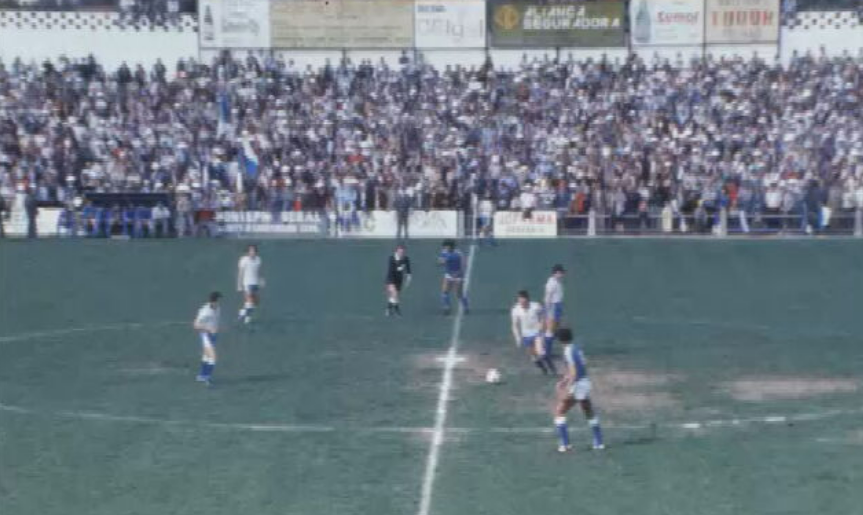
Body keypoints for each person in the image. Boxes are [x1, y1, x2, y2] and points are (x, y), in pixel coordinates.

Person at [553, 327, 604, 453]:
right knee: (588, 411)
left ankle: (565, 444)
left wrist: (568, 387)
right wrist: (563, 381)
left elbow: (574, 372)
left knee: (559, 411)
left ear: (560, 340)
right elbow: (579, 367)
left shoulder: (568, 351)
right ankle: (599, 442)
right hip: (585, 382)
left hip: (577, 384)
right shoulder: (576, 349)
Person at [511, 290, 556, 375]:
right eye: (520, 301)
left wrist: (542, 326)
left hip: (537, 333)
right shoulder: (515, 310)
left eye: (524, 302)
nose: (522, 304)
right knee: (534, 357)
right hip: (526, 336)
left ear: (528, 300)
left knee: (541, 353)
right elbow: (514, 325)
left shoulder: (535, 306)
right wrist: (517, 338)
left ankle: (553, 369)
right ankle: (543, 369)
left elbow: (543, 315)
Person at [193, 291, 221, 386]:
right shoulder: (205, 312)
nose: (219, 302)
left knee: (206, 356)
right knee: (213, 358)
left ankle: (201, 376)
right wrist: (208, 329)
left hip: (213, 336)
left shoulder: (217, 308)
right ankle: (207, 378)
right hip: (206, 335)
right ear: (214, 301)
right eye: (218, 300)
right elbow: (196, 325)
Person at [438, 239, 469, 315]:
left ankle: (466, 307)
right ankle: (447, 307)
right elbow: (440, 261)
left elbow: (464, 265)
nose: (445, 248)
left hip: (458, 275)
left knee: (459, 294)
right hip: (448, 274)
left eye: (446, 246)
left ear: (451, 246)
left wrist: (459, 273)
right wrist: (443, 261)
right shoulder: (444, 252)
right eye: (444, 247)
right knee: (445, 292)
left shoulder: (458, 254)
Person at [237, 244, 263, 324]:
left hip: (255, 283)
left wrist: (261, 280)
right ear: (248, 252)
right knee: (250, 301)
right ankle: (246, 318)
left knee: (255, 302)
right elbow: (240, 273)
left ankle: (243, 312)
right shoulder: (243, 260)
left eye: (254, 251)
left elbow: (258, 271)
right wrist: (239, 284)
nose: (253, 252)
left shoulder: (258, 259)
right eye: (251, 251)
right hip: (247, 283)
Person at [543, 264, 566, 352]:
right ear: (556, 273)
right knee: (550, 330)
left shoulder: (557, 281)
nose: (563, 274)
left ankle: (547, 349)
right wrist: (547, 311)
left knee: (556, 330)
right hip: (552, 307)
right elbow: (548, 297)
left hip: (557, 306)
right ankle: (546, 352)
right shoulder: (551, 283)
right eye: (561, 273)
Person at [385, 244, 412, 316]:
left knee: (393, 297)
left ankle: (388, 309)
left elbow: (409, 271)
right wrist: (399, 267)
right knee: (395, 294)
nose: (401, 254)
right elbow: (391, 270)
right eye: (400, 252)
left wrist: (408, 280)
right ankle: (397, 310)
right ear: (396, 251)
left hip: (399, 280)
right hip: (391, 279)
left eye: (403, 252)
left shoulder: (406, 259)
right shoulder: (391, 258)